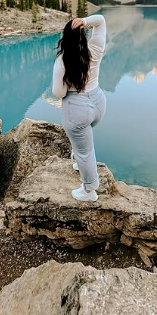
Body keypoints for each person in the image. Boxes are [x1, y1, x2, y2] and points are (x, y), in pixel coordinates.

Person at [52, 14, 107, 202]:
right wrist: (85, 21)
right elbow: (101, 20)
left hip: (77, 109)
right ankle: (79, 162)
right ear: (83, 35)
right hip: (98, 103)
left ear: (65, 38)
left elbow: (58, 92)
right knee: (83, 143)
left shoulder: (63, 60)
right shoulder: (95, 49)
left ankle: (89, 190)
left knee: (85, 152)